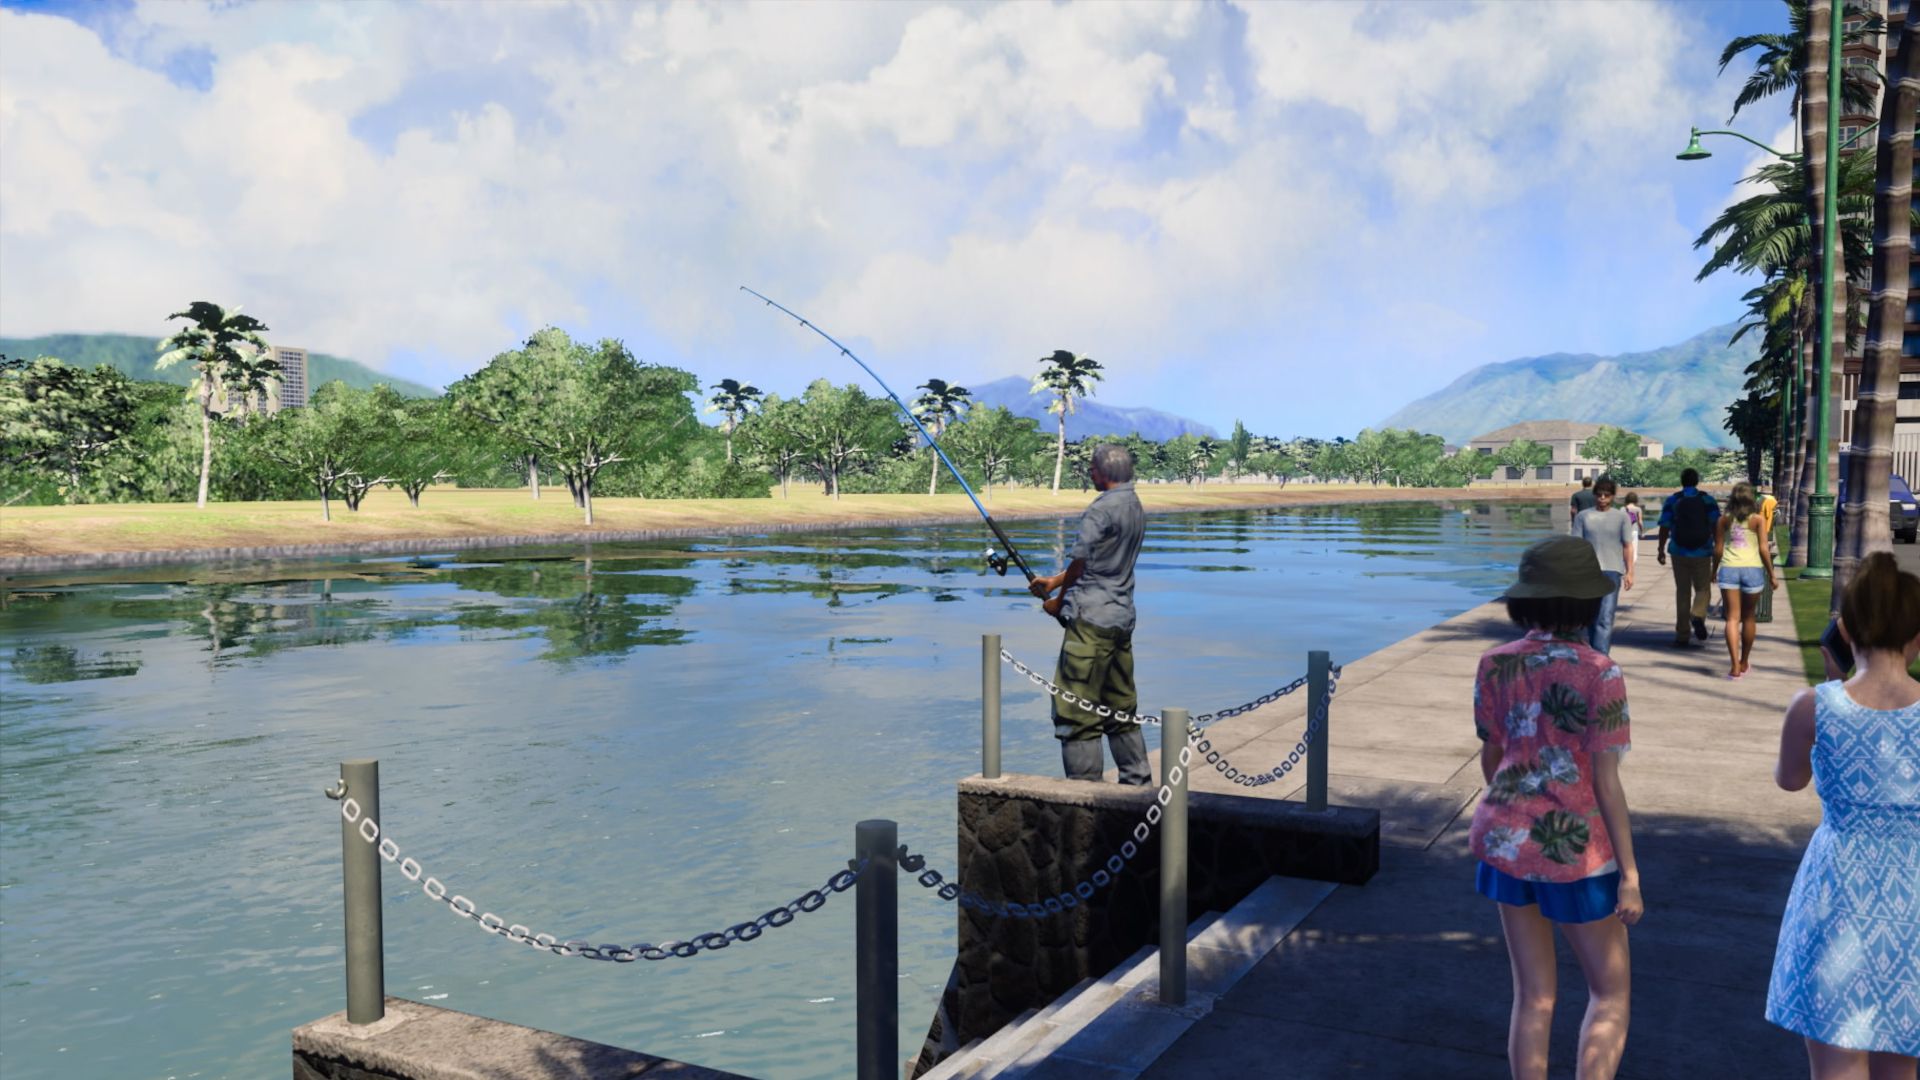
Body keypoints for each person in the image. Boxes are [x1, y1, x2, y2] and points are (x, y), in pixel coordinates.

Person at [1472, 535, 1642, 1080]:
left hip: (1504, 840)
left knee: (1534, 996)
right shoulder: (1599, 672)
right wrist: (1631, 874)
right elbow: (1606, 782)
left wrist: (1516, 808)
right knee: (1609, 995)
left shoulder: (1494, 664)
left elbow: (1492, 755)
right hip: (1578, 850)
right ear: (1585, 602)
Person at [1767, 552, 1920, 1076]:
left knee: (1834, 1065)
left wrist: (1834, 682)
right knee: (1902, 1065)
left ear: (1845, 629)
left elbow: (1790, 780)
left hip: (1839, 888)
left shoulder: (1814, 705)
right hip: (1913, 893)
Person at [1028, 444, 1150, 785]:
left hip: (1091, 623)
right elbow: (1098, 560)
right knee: (1119, 707)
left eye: (1092, 469)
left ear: (1105, 472)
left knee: (1074, 710)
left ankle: (1084, 795)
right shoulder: (1134, 505)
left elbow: (1081, 562)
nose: (1090, 474)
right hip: (1121, 619)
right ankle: (1137, 785)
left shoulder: (1100, 510)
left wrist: (1058, 602)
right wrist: (1053, 581)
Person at [1713, 483, 1780, 679]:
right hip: (1752, 569)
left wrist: (1713, 571)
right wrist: (1772, 574)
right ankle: (1744, 661)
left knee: (1732, 618)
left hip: (1729, 568)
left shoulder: (1724, 520)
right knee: (1749, 617)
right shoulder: (1758, 520)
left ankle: (1734, 666)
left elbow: (1717, 549)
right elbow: (1763, 549)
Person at [1655, 468, 1721, 648]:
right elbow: (1716, 524)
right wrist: (1717, 546)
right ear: (1697, 481)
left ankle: (1682, 635)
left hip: (1678, 551)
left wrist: (1661, 549)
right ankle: (1698, 614)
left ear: (1682, 481)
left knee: (1682, 592)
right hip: (1702, 551)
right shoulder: (1707, 499)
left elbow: (1664, 525)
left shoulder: (1673, 499)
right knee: (1703, 589)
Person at [1572, 476, 1636, 654]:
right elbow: (1576, 545)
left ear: (1613, 496)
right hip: (1587, 572)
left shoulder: (1621, 517)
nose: (1602, 498)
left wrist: (1630, 572)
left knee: (1605, 617)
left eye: (1606, 495)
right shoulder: (1583, 517)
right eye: (1599, 495)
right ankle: (1593, 654)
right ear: (1594, 495)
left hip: (1612, 571)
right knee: (1590, 617)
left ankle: (1601, 659)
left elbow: (1627, 545)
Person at [1620, 492, 1643, 579]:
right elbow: (1640, 522)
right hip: (1634, 531)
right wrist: (1642, 531)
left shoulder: (1622, 509)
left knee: (1624, 550)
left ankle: (1624, 569)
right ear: (1635, 499)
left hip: (1624, 531)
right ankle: (1630, 571)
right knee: (1633, 550)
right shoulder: (1638, 509)